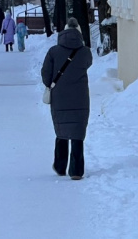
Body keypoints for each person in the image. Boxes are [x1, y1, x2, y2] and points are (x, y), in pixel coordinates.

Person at [40, 17, 93, 180]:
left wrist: (50, 84)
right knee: (78, 131)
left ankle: (60, 166)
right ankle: (76, 170)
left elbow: (45, 73)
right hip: (80, 96)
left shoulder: (53, 51)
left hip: (59, 96)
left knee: (61, 129)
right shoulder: (85, 51)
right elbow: (88, 64)